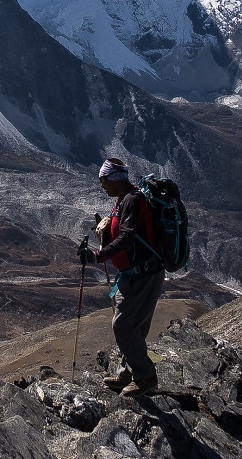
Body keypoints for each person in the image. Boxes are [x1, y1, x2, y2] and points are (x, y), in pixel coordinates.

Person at [78, 156, 164, 394]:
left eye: (103, 180)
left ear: (114, 179)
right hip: (133, 274)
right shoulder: (123, 200)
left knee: (124, 326)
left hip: (144, 275)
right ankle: (128, 374)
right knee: (131, 326)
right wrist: (104, 232)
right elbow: (124, 236)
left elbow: (126, 238)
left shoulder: (133, 201)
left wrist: (97, 255)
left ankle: (146, 378)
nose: (101, 185)